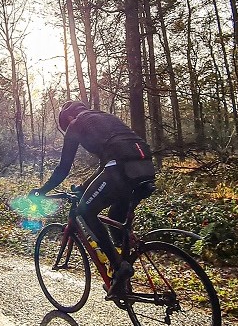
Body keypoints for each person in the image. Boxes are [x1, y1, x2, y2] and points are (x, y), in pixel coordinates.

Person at [30, 100, 156, 297]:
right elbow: (106, 167)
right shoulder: (104, 117)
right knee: (116, 218)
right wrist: (83, 187)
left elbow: (63, 168)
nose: (68, 129)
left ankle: (119, 267)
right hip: (145, 168)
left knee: (85, 211)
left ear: (69, 117)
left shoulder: (76, 123)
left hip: (121, 168)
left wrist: (42, 190)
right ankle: (121, 279)